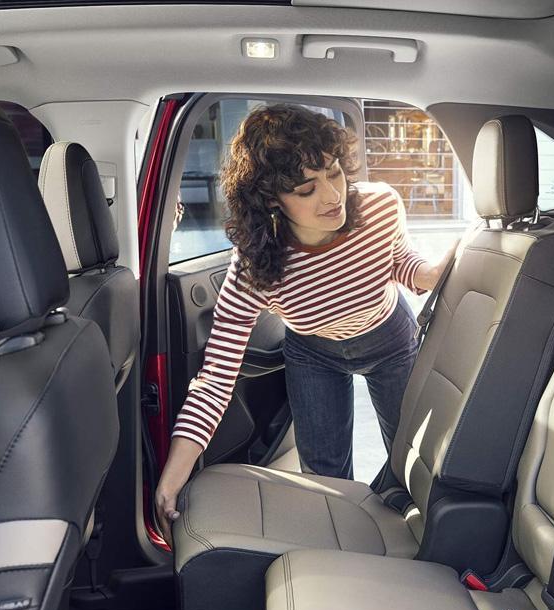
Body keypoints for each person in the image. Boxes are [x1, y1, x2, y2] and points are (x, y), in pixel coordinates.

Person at [154, 105, 456, 526]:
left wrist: (431, 273)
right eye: (305, 188)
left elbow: (398, 261)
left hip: (389, 338)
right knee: (325, 485)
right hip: (313, 353)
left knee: (411, 461)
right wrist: (173, 477)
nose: (332, 196)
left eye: (333, 172)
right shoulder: (256, 264)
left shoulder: (380, 205)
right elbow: (216, 378)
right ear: (272, 201)